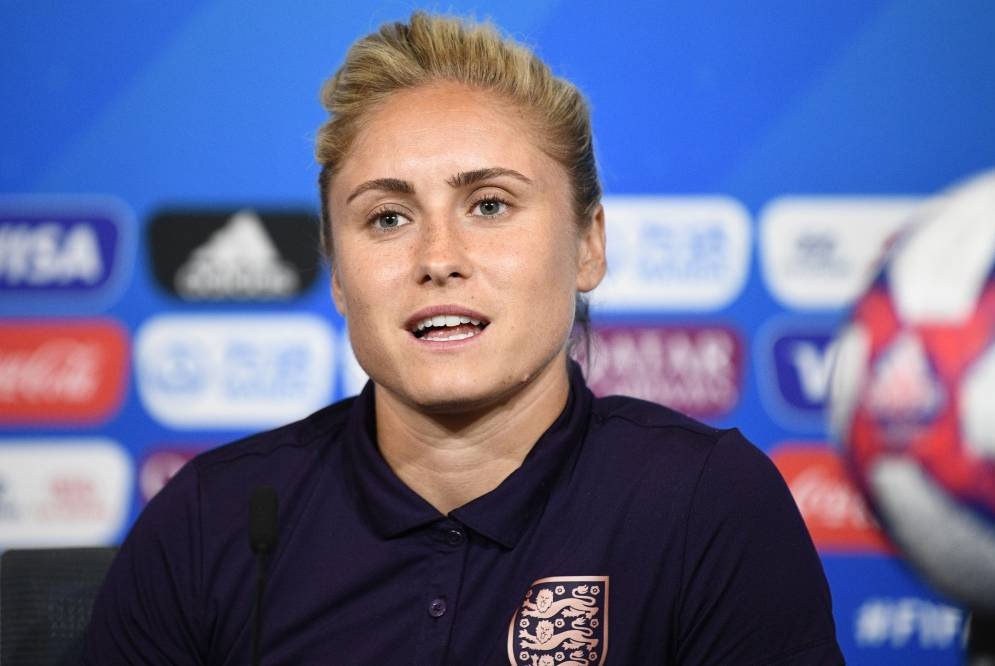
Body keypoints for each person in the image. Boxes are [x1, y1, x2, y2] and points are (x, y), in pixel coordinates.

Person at [84, 12, 844, 665]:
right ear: (339, 274)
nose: (438, 258)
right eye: (387, 217)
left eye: (488, 204)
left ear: (588, 245)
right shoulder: (211, 520)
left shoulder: (704, 505)